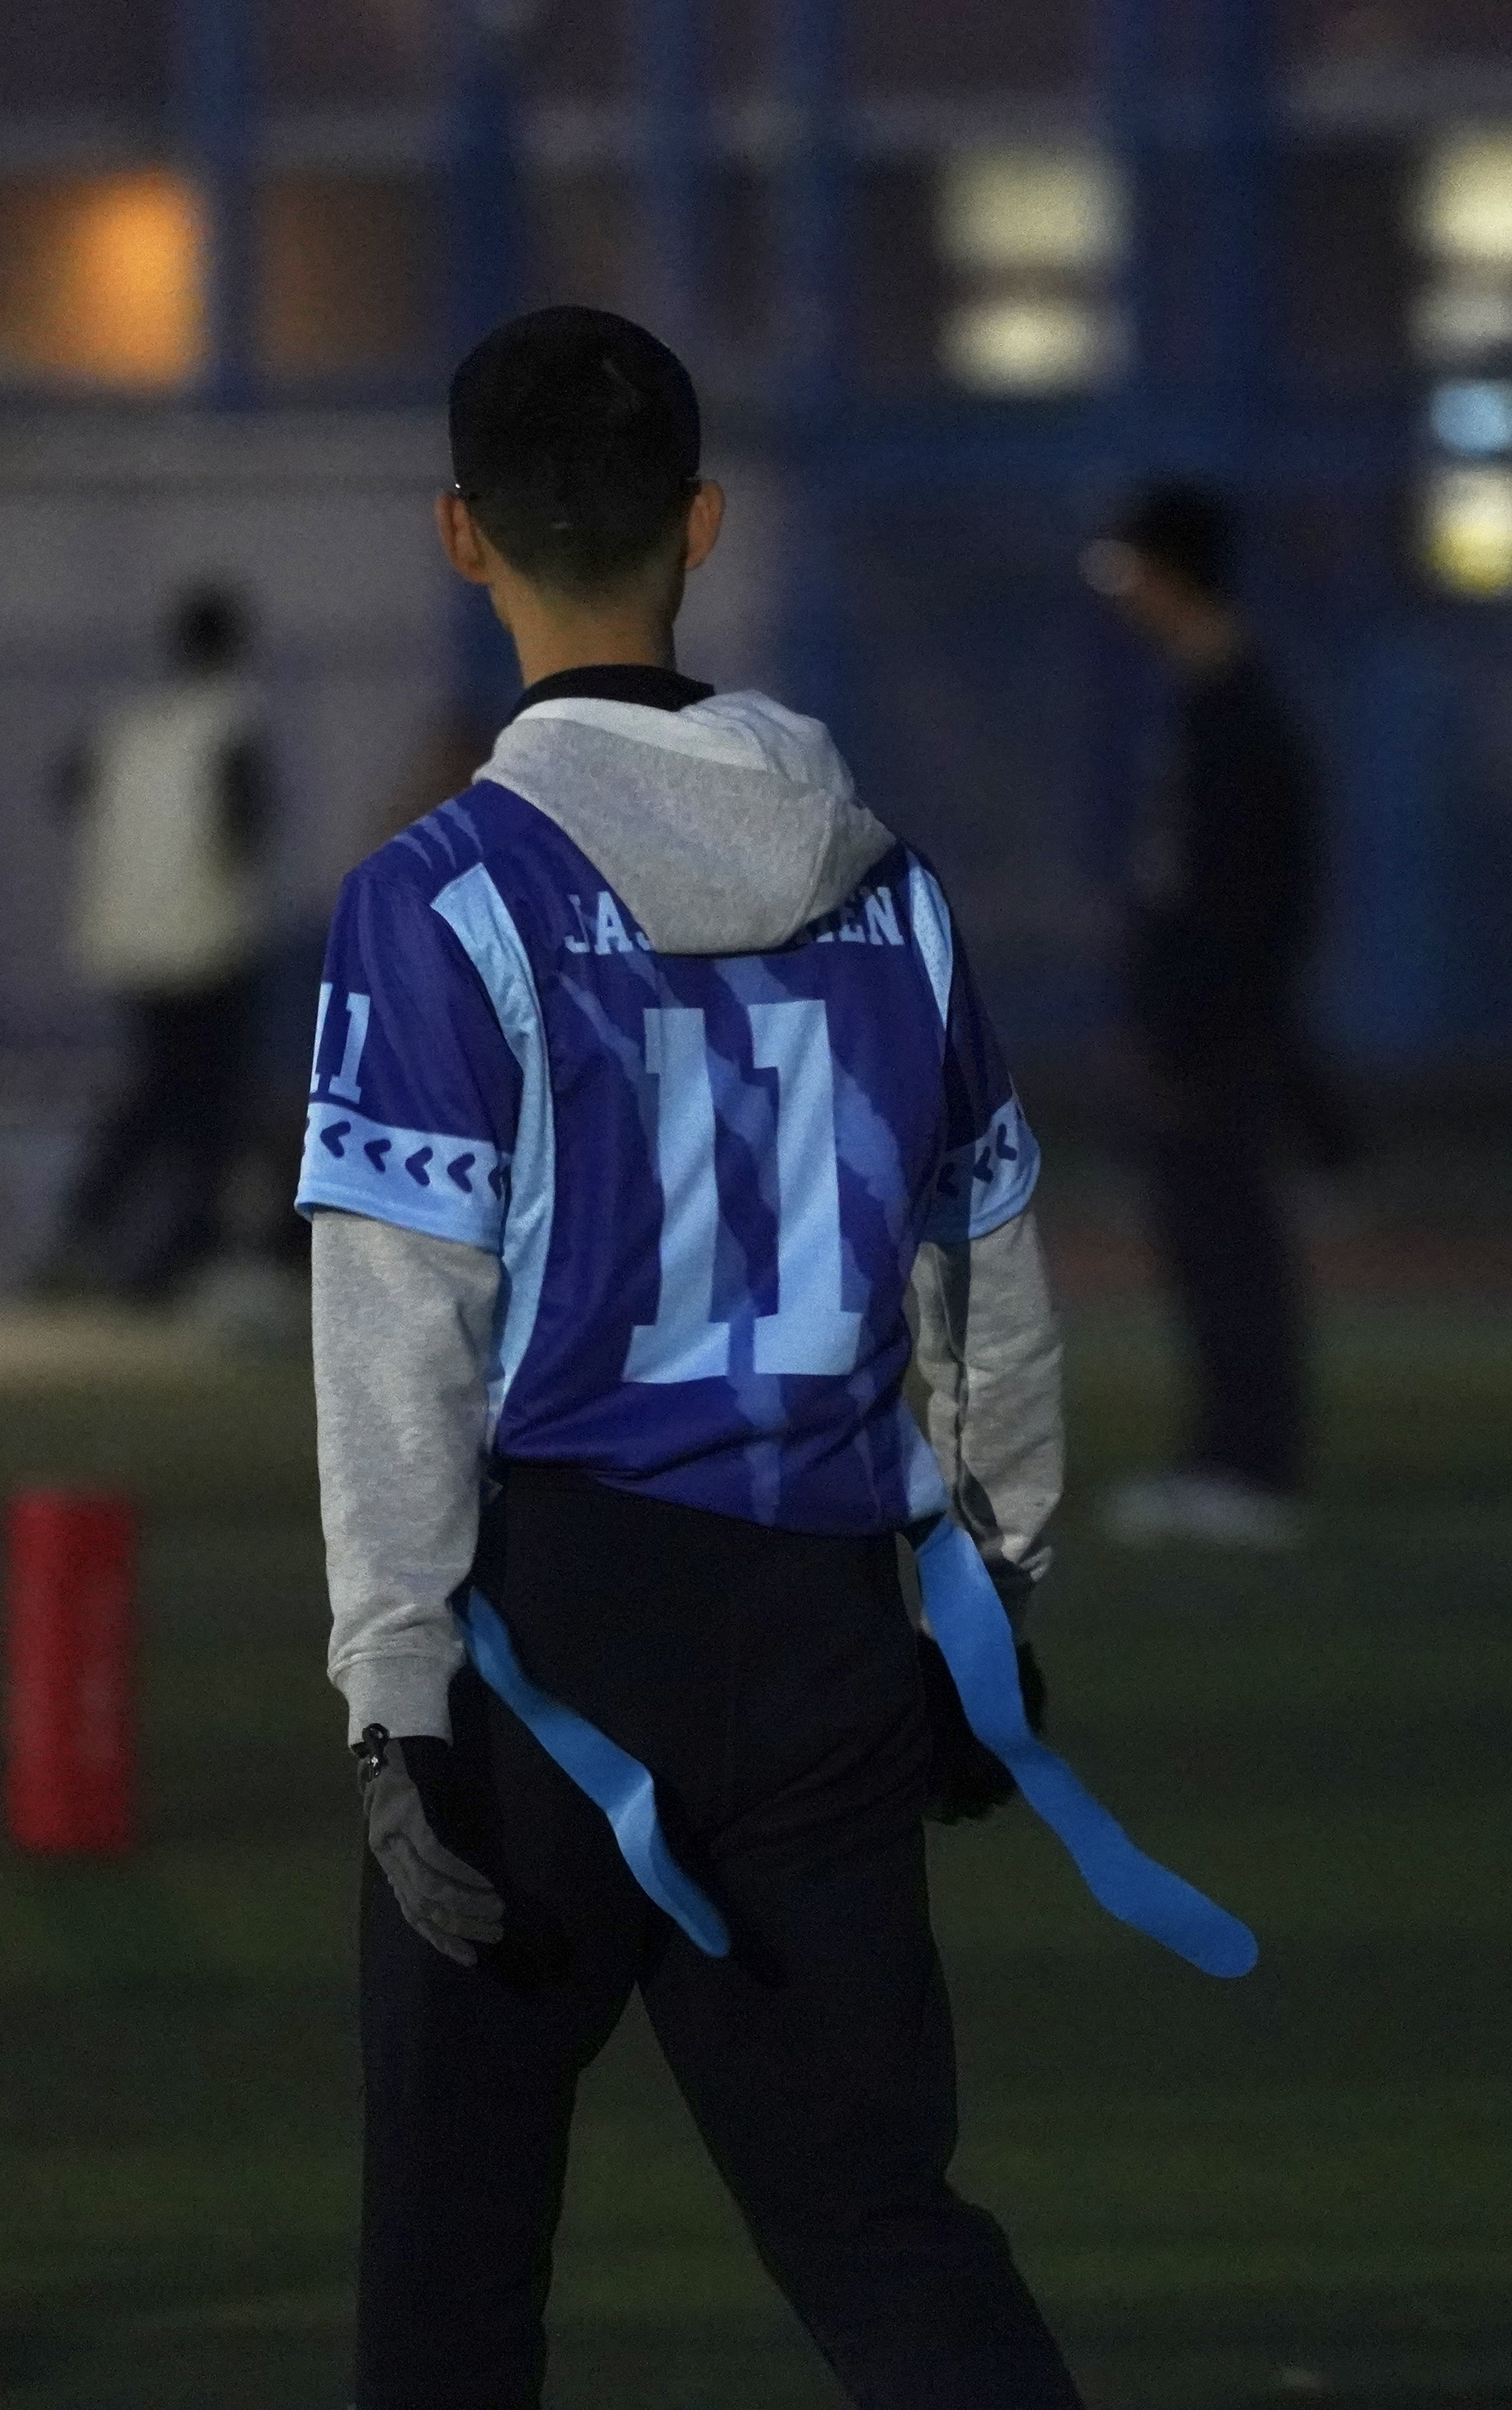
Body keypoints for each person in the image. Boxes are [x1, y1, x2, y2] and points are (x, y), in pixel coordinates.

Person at [302, 305, 1084, 2408]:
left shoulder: (440, 896)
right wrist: (993, 1597)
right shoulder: (889, 888)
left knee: (453, 2276)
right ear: (704, 526)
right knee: (883, 2231)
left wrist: (392, 1684)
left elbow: (399, 1320)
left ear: (461, 536)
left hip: (550, 1640)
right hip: (823, 1621)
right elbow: (989, 1263)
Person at [1084, 481, 1334, 1552]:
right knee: (1202, 1242)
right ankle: (1224, 1456)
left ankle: (1251, 1466)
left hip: (1218, 1036)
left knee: (1231, 1240)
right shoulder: (1204, 702)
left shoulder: (1239, 713)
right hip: (1200, 1028)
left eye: (1133, 567)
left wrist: (1204, 1023)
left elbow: (1252, 897)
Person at [53, 579, 273, 1301]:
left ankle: (92, 1223)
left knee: (158, 1090)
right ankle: (173, 1255)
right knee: (206, 1105)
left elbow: (65, 787)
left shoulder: (131, 722)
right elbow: (249, 827)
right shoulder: (233, 720)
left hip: (126, 939)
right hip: (208, 940)